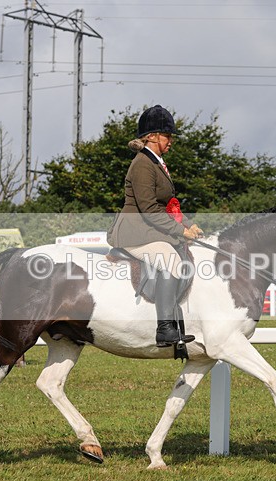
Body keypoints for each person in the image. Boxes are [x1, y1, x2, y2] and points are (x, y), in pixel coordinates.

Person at [108, 105, 203, 348]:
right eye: (167, 136)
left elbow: (168, 206)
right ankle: (164, 329)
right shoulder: (142, 164)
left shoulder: (156, 162)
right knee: (170, 260)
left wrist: (190, 224)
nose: (171, 141)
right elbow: (149, 209)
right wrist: (181, 231)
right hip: (135, 233)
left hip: (149, 229)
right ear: (152, 136)